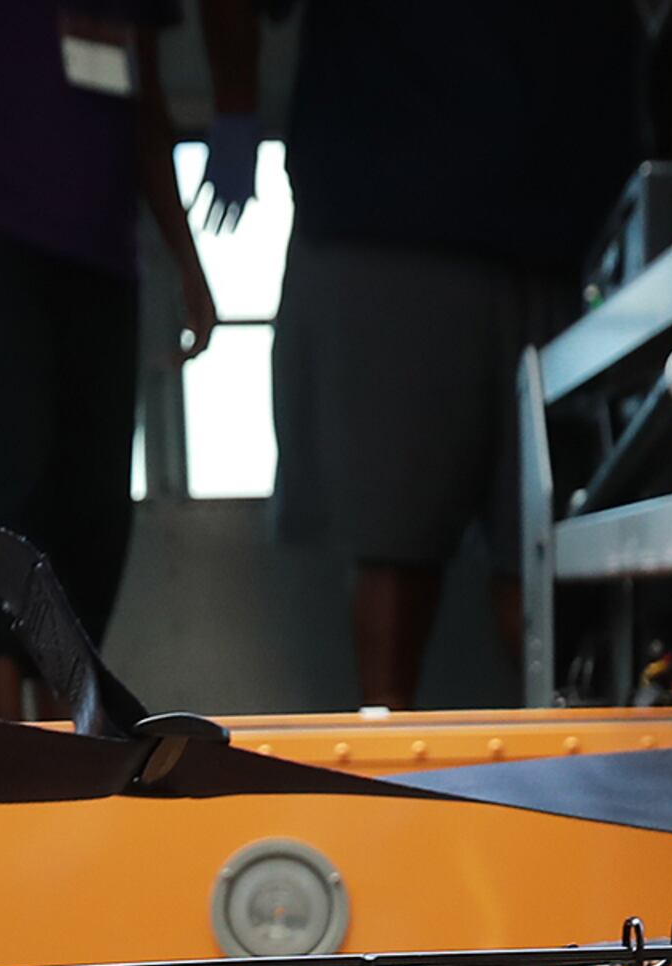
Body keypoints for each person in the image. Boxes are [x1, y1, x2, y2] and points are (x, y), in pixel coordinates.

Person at [269, 0, 648, 709]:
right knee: (395, 551)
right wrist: (230, 103)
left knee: (557, 559)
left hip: (577, 233)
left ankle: (581, 789)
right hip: (391, 212)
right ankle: (384, 783)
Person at [0, 0, 224, 717]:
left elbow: (146, 103)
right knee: (1, 474)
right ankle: (6, 730)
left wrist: (186, 257)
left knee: (93, 502)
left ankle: (64, 723)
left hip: (102, 251)